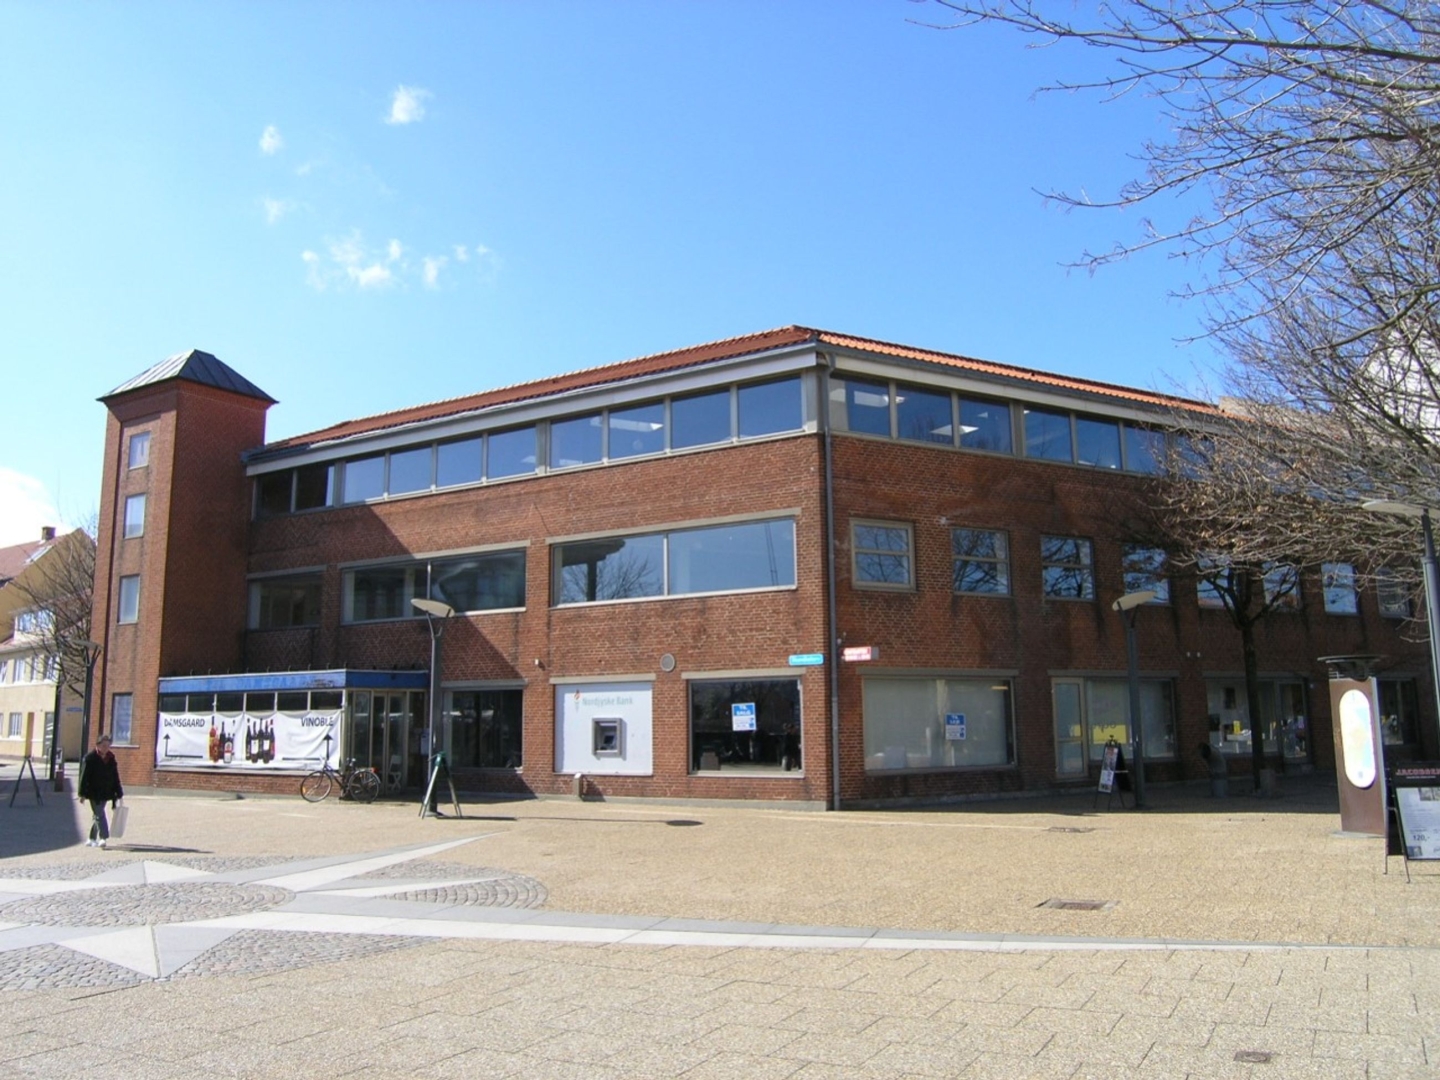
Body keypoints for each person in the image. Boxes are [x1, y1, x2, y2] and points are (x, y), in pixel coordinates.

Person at [79, 735, 124, 848]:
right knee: (99, 813)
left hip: (106, 791)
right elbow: (84, 777)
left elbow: (115, 776)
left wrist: (119, 792)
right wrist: (82, 793)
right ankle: (103, 837)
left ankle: (91, 838)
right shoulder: (90, 758)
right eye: (104, 746)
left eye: (108, 746)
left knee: (98, 815)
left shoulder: (111, 758)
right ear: (98, 745)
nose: (106, 748)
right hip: (93, 792)